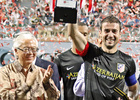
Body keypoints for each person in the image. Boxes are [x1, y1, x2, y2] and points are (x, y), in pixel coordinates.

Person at [68, 15, 138, 100]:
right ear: (100, 33)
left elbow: (133, 89)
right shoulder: (90, 52)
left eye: (114, 31)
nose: (110, 35)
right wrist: (71, 9)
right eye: (107, 31)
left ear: (120, 34)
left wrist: (130, 98)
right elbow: (73, 34)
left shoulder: (128, 61)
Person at [0, 31, 60, 100]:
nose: (30, 53)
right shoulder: (4, 72)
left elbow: (54, 97)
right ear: (16, 51)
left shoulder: (42, 72)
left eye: (34, 49)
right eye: (26, 49)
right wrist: (27, 86)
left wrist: (47, 83)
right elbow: (3, 97)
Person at [54, 22, 89, 100]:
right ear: (72, 36)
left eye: (85, 34)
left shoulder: (94, 58)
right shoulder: (61, 59)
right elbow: (53, 86)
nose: (82, 37)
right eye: (79, 34)